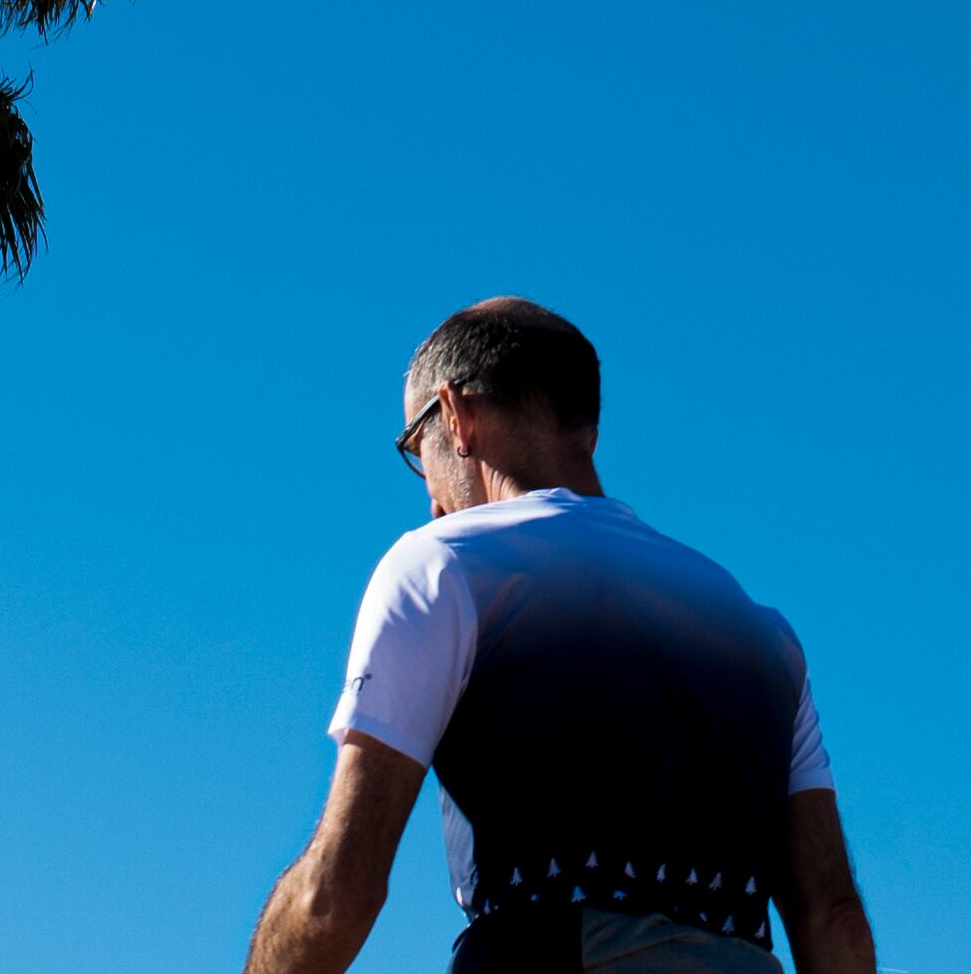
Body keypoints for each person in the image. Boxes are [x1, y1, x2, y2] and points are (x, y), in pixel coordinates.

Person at [245, 299, 881, 974]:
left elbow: (333, 901)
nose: (429, 495)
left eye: (415, 447)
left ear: (454, 414)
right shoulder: (758, 629)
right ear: (586, 430)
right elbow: (833, 918)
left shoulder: (446, 564)